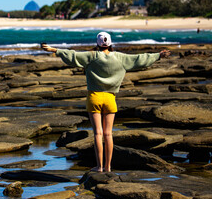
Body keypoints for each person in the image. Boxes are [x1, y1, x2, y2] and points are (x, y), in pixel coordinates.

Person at [41, 32, 171, 173]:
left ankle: (99, 167)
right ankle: (108, 167)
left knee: (98, 134)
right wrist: (158, 56)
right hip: (110, 99)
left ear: (97, 44)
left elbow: (72, 55)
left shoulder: (91, 56)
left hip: (94, 98)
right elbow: (139, 59)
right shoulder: (120, 58)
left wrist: (54, 50)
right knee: (108, 134)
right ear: (110, 43)